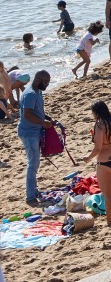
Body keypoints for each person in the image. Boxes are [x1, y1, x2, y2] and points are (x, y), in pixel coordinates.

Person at [19, 70, 52, 205]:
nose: (47, 85)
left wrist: (47, 118)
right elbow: (27, 114)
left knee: (35, 163)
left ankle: (33, 189)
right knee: (32, 164)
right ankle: (30, 196)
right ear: (38, 79)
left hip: (35, 131)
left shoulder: (38, 92)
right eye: (45, 82)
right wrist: (42, 122)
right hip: (29, 133)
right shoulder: (30, 94)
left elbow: (37, 111)